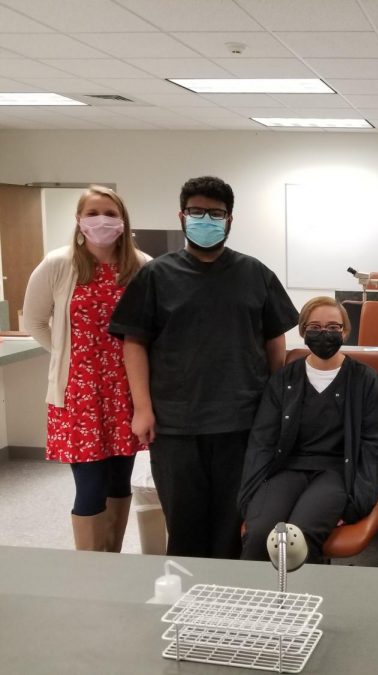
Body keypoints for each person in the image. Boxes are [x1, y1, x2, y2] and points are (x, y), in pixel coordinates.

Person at [109, 176, 299, 559]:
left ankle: (231, 604)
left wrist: (277, 404)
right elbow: (134, 344)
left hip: (242, 422)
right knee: (185, 524)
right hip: (177, 424)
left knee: (234, 522)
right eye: (197, 212)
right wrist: (142, 408)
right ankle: (187, 603)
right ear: (182, 216)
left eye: (216, 213)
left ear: (230, 220)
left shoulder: (255, 274)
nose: (206, 219)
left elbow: (274, 342)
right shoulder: (155, 276)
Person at [23, 185, 150, 552]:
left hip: (126, 393)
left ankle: (110, 558)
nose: (102, 221)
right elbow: (34, 321)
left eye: (110, 214)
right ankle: (89, 567)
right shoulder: (59, 264)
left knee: (119, 482)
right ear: (79, 220)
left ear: (123, 221)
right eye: (93, 213)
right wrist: (67, 354)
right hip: (79, 395)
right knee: (90, 487)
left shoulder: (141, 267)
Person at [238, 297, 378, 562]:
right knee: (260, 531)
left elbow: (374, 446)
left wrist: (358, 504)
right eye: (315, 326)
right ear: (303, 330)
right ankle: (257, 601)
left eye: (333, 327)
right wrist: (250, 496)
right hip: (289, 468)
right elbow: (262, 441)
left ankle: (304, 602)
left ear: (345, 331)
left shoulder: (365, 379)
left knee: (300, 536)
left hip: (336, 472)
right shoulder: (285, 378)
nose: (324, 333)